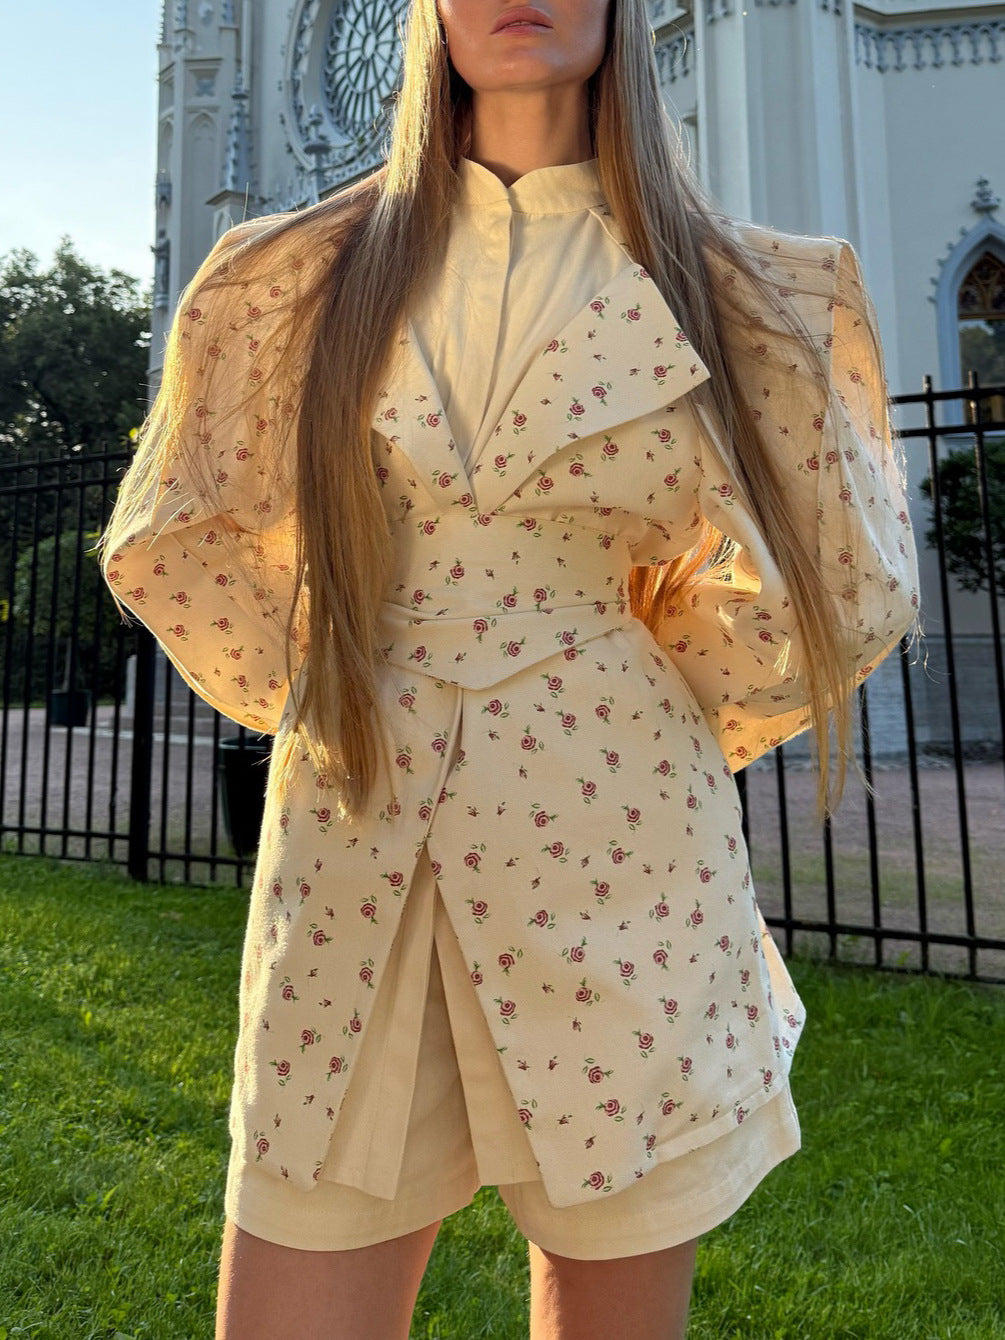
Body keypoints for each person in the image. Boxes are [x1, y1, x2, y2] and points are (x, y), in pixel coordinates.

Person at [100, 1, 919, 1335]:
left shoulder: (751, 296)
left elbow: (840, 583)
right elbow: (186, 536)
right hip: (356, 835)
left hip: (622, 853)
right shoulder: (292, 281)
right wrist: (343, 672)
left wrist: (611, 685)